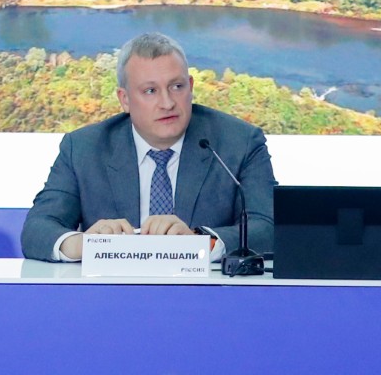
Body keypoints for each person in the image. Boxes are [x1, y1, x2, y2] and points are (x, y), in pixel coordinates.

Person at [21, 32, 275, 262]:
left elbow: (269, 227)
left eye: (177, 87)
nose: (167, 103)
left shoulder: (239, 143)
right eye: (151, 91)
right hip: (114, 292)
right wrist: (85, 244)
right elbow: (37, 229)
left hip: (206, 292)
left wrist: (201, 242)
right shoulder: (84, 148)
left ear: (191, 87)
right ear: (125, 99)